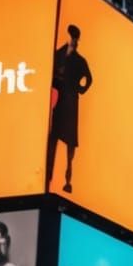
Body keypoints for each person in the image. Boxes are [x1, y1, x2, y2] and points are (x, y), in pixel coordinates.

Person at [47, 22, 92, 194]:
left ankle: (68, 179)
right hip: (59, 102)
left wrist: (80, 89)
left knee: (70, 144)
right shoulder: (60, 53)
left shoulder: (79, 60)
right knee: (53, 138)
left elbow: (89, 78)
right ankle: (49, 175)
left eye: (73, 37)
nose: (71, 40)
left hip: (71, 103)